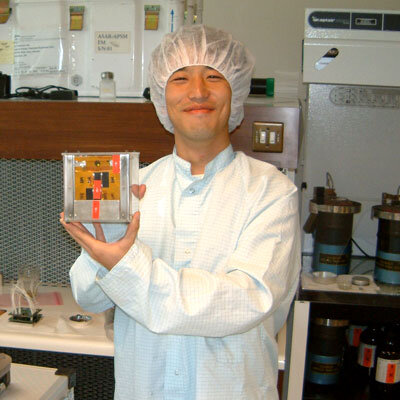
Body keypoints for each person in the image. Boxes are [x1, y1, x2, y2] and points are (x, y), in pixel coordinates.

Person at [60, 24, 301, 400]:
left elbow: (244, 300)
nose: (198, 92)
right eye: (181, 78)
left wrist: (126, 265)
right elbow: (89, 298)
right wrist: (102, 241)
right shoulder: (133, 187)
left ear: (235, 91)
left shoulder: (271, 192)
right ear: (162, 95)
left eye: (214, 77)